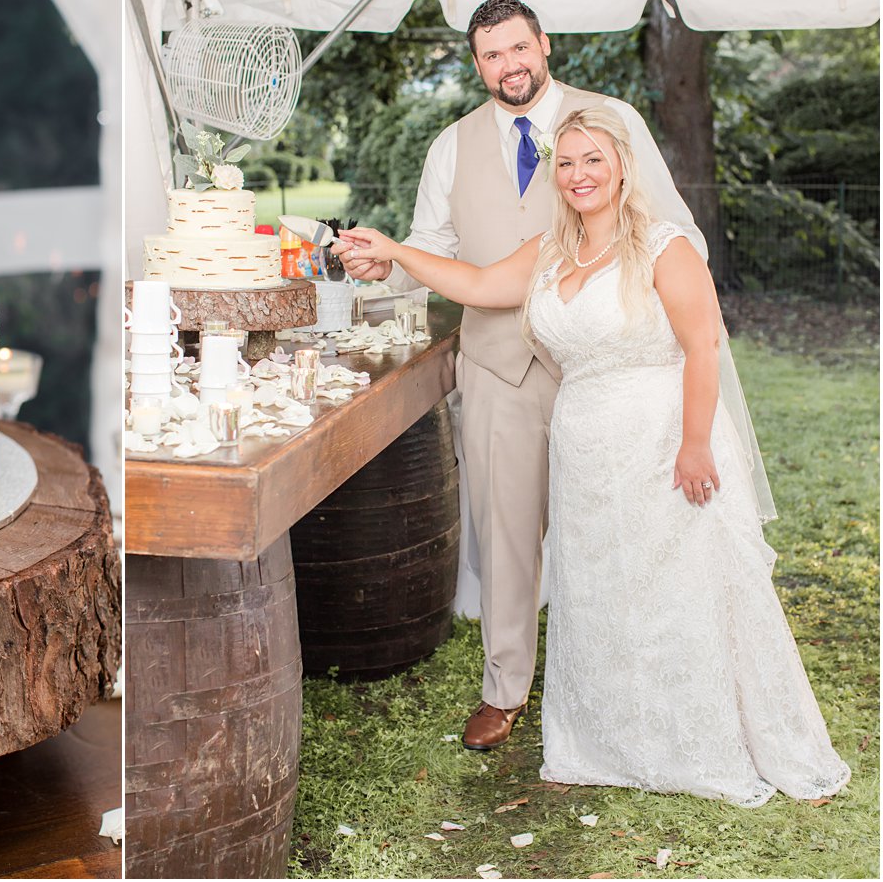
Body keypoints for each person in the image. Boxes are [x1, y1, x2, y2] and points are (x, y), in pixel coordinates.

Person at [336, 108, 851, 806]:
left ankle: (701, 734)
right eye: (567, 162)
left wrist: (696, 444)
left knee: (679, 587)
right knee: (605, 589)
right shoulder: (550, 248)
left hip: (661, 438)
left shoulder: (665, 247)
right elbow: (482, 284)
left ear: (621, 167)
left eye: (593, 160)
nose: (579, 174)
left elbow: (704, 348)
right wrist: (397, 250)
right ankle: (617, 737)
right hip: (585, 448)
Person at [344, 0, 702, 752]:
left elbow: (677, 234)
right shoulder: (452, 145)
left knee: (615, 527)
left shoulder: (611, 122)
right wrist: (385, 267)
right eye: (491, 55)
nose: (508, 65)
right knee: (504, 531)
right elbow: (429, 248)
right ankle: (504, 688)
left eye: (518, 48)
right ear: (476, 64)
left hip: (599, 372)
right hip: (498, 369)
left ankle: (627, 675)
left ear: (544, 42)